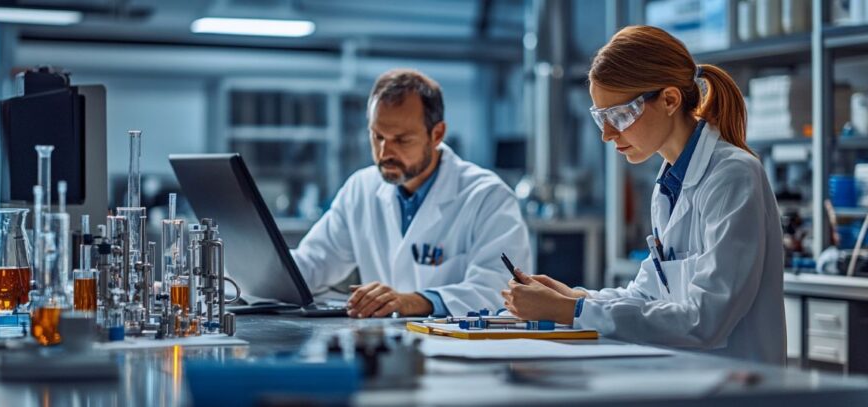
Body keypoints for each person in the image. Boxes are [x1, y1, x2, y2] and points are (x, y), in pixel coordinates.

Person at [501, 26, 786, 364]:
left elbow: (706, 320)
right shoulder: (668, 185)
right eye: (601, 118)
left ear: (669, 100)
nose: (607, 135)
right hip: (690, 380)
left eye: (619, 115)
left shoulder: (732, 175)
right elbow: (646, 295)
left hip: (742, 387)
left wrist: (572, 311)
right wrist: (576, 297)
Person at [292, 69, 531, 319]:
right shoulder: (360, 189)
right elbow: (312, 264)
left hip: (458, 349)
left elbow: (502, 290)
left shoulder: (488, 197)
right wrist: (258, 273)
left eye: (402, 139)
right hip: (385, 346)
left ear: (436, 134)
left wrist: (413, 301)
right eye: (378, 136)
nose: (385, 153)